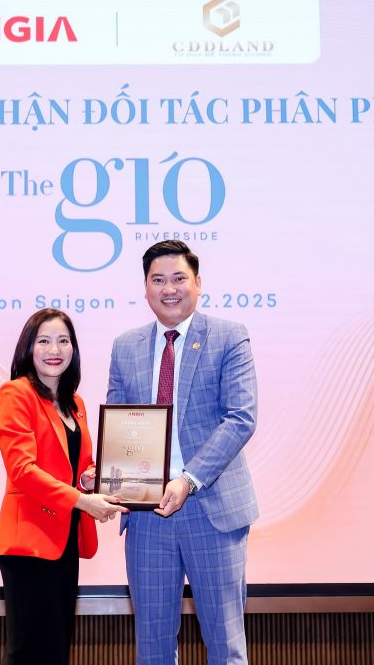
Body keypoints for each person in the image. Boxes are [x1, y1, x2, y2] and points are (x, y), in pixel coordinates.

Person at [107, 241, 259, 665]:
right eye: (158, 280)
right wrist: (106, 472)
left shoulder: (229, 336)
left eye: (178, 278)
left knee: (225, 644)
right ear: (145, 287)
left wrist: (189, 479)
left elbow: (240, 418)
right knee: (153, 647)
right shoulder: (126, 346)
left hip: (211, 510)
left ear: (198, 283)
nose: (169, 289)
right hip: (147, 514)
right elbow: (120, 421)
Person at [0, 308, 128, 665]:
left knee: (56, 648)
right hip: (29, 544)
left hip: (65, 539)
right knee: (28, 652)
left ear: (73, 349)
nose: (54, 349)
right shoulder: (16, 394)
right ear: (29, 348)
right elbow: (23, 470)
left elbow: (79, 465)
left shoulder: (75, 403)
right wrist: (82, 500)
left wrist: (90, 478)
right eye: (44, 341)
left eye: (63, 341)